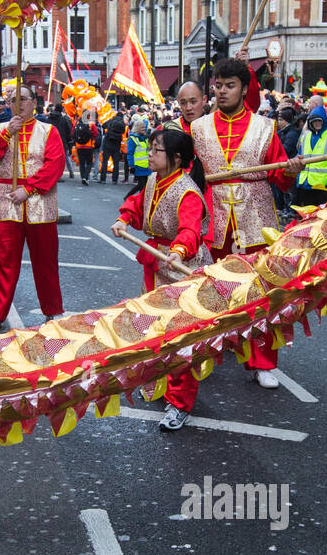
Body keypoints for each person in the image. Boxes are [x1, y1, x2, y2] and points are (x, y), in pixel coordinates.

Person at [189, 57, 304, 387]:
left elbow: (280, 177)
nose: (222, 91)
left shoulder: (265, 128)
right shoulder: (198, 128)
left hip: (257, 220)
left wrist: (291, 170)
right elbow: (186, 174)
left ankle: (262, 362)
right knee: (216, 291)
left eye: (230, 86)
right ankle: (215, 347)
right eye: (218, 85)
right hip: (219, 222)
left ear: (244, 88)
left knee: (262, 294)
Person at [111, 126, 211, 430]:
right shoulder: (155, 179)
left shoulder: (188, 192)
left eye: (157, 150)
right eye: (151, 148)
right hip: (157, 262)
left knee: (181, 337)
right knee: (154, 329)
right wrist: (124, 217)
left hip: (181, 269)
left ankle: (180, 404)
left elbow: (190, 229)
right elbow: (139, 202)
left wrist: (180, 250)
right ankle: (159, 383)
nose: (150, 154)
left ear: (177, 159)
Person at [0, 83, 65, 332]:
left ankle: (52, 311)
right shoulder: (1, 128)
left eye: (23, 99)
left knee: (46, 261)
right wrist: (4, 135)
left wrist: (28, 189)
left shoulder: (49, 131)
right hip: (6, 202)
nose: (18, 103)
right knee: (1, 261)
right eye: (13, 100)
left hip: (40, 201)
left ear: (34, 103)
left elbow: (54, 166)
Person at [292, 99, 327, 207]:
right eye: (314, 121)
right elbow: (300, 158)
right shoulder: (305, 137)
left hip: (321, 186)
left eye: (319, 121)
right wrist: (298, 180)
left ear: (324, 121)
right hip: (304, 184)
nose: (317, 123)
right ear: (310, 122)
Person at [73, 108, 98, 185]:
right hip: (88, 146)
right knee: (89, 163)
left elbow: (72, 133)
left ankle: (83, 176)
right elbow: (96, 133)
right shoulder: (91, 124)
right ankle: (86, 177)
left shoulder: (77, 123)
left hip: (79, 146)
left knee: (82, 163)